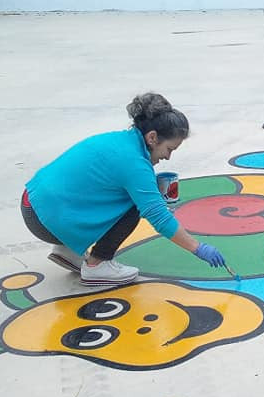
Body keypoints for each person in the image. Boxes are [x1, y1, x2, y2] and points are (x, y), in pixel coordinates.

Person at [21, 93, 226, 285]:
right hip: (44, 220)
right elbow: (159, 218)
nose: (167, 157)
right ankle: (97, 264)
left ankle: (68, 250)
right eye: (169, 149)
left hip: (33, 203)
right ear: (152, 137)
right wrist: (198, 248)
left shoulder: (120, 141)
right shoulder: (134, 162)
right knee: (133, 204)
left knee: (121, 194)